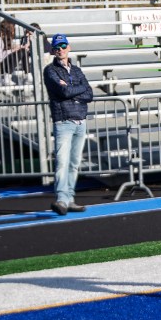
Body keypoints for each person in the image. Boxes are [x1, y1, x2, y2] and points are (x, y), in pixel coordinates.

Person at [43, 34, 93, 216]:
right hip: (64, 120)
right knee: (62, 162)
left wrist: (72, 89)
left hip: (80, 120)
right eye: (57, 47)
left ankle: (69, 198)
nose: (60, 49)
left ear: (68, 47)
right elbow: (63, 92)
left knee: (74, 163)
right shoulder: (50, 70)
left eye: (63, 46)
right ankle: (62, 200)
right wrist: (75, 89)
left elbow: (90, 93)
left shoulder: (77, 70)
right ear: (53, 50)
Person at [0, 19, 30, 86]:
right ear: (9, 29)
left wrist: (18, 47)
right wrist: (12, 50)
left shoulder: (3, 38)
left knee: (23, 50)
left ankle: (27, 75)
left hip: (0, 65)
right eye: (13, 28)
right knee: (21, 52)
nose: (14, 31)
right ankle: (7, 78)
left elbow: (5, 51)